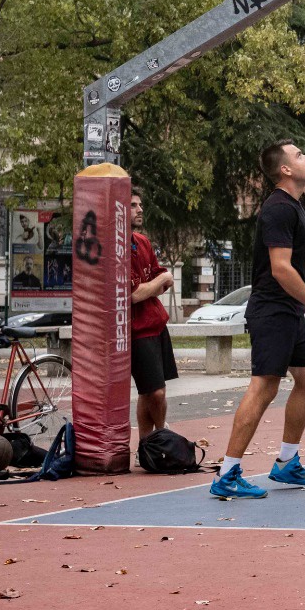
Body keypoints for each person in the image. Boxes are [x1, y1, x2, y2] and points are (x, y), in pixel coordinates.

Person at [209, 142, 305, 500]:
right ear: (284, 170)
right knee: (264, 386)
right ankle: (228, 472)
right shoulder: (278, 208)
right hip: (273, 311)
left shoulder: (293, 207)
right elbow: (281, 269)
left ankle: (285, 462)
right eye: (299, 156)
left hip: (289, 311)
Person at [128, 186, 177, 442]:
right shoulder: (116, 249)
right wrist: (160, 282)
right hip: (138, 331)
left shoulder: (142, 241)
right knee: (155, 392)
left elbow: (161, 277)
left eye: (140, 205)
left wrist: (159, 281)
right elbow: (134, 294)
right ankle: (164, 437)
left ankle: (146, 445)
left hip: (158, 324)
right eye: (134, 205)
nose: (140, 210)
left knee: (149, 393)